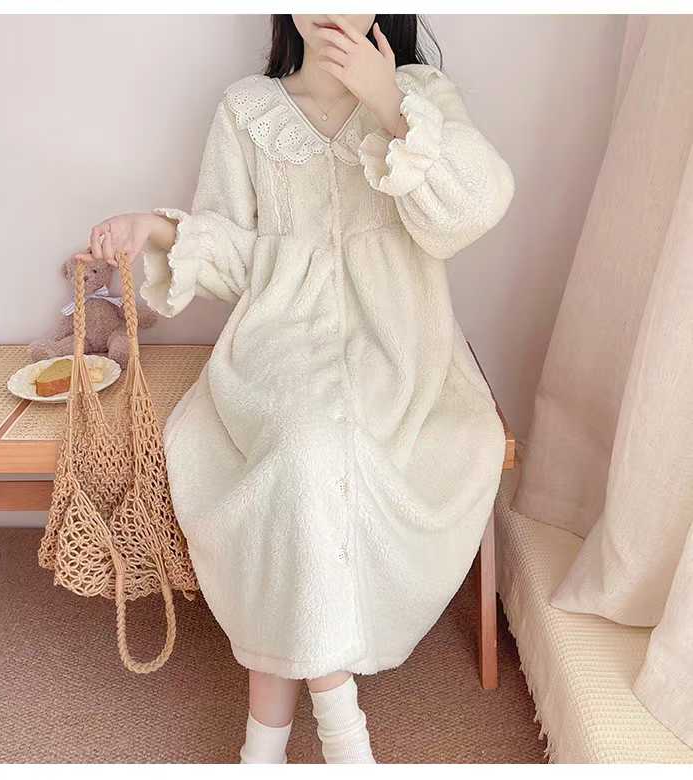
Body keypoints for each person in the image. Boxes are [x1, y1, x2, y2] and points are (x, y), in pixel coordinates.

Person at [74, 13, 515, 764]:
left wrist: (390, 102)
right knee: (304, 449)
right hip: (280, 340)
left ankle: (263, 747)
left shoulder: (422, 92)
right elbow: (238, 257)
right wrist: (156, 227)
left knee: (317, 453)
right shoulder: (247, 108)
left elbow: (473, 210)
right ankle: (341, 730)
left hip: (399, 348)